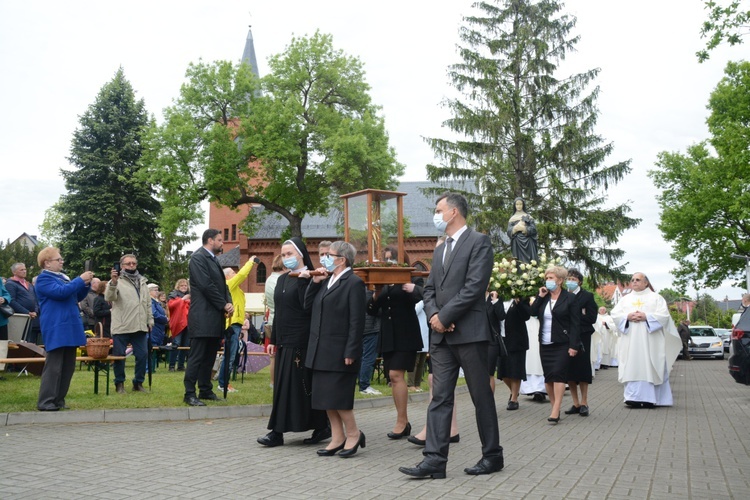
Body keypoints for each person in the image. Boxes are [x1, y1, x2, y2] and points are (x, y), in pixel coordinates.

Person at [399, 192, 503, 479]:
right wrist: (435, 317)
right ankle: (434, 460)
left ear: (454, 212)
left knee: (480, 396)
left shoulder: (479, 242)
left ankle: (492, 455)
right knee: (439, 397)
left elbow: (473, 287)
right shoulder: (441, 247)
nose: (435, 215)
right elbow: (430, 288)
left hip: (469, 334)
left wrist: (444, 317)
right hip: (442, 338)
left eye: (438, 209)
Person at [258, 238, 330, 447]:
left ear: (301, 255)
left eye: (290, 254)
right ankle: (283, 429)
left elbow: (305, 306)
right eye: (284, 254)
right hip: (285, 340)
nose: (286, 258)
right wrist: (273, 339)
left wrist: (303, 281)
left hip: (302, 340)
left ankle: (316, 426)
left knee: (301, 387)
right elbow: (278, 312)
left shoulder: (311, 277)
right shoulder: (282, 279)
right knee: (284, 386)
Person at [303, 241, 365, 457]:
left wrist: (351, 350)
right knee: (325, 398)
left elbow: (357, 321)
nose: (324, 258)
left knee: (339, 397)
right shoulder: (327, 280)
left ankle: (354, 434)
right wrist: (315, 282)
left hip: (340, 350)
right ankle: (338, 437)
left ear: (342, 259)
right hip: (320, 348)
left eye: (329, 255)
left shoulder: (353, 282)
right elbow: (308, 308)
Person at [610, 273, 682, 408]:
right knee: (632, 365)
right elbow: (615, 314)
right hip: (630, 340)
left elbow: (664, 316)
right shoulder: (625, 299)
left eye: (638, 280)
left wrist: (646, 317)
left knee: (651, 364)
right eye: (632, 280)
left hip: (650, 340)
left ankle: (651, 398)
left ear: (646, 283)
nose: (634, 282)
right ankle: (632, 398)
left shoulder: (656, 298)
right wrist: (628, 316)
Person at [34, 247, 94, 411]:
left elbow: (75, 295)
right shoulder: (43, 279)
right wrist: (79, 280)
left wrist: (85, 284)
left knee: (68, 366)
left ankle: (59, 400)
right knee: (54, 367)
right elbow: (61, 293)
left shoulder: (62, 278)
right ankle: (46, 401)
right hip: (57, 326)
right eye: (58, 259)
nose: (62, 262)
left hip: (69, 326)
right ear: (47, 263)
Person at [367, 274, 424, 439]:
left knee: (395, 374)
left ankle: (401, 421)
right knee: (393, 379)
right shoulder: (382, 283)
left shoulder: (411, 278)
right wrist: (376, 294)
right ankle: (403, 421)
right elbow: (370, 310)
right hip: (389, 336)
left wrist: (411, 287)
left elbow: (423, 295)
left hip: (406, 334)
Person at [183, 229, 233, 406]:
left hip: (215, 317)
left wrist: (229, 302)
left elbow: (223, 286)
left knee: (210, 356)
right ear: (210, 240)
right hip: (202, 316)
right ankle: (189, 393)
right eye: (220, 240)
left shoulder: (213, 259)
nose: (222, 243)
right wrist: (223, 304)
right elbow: (206, 285)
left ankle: (205, 389)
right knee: (197, 356)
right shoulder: (198, 258)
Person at [529, 266, 581, 424]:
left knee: (558, 375)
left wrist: (574, 346)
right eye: (547, 278)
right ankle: (554, 407)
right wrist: (539, 296)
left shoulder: (570, 298)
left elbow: (575, 324)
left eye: (551, 278)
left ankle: (555, 409)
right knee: (549, 378)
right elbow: (531, 313)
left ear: (560, 280)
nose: (548, 281)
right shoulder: (544, 297)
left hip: (562, 343)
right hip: (545, 343)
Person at [105, 254, 153, 394]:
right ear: (122, 266)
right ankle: (119, 383)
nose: (131, 266)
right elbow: (109, 297)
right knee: (120, 356)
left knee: (143, 355)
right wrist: (113, 283)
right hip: (122, 325)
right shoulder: (116, 280)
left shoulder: (143, 281)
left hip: (139, 325)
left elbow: (148, 303)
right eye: (128, 264)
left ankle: (138, 383)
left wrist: (150, 320)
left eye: (133, 263)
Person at [218, 257, 257, 393]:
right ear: (228, 276)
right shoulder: (229, 284)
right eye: (234, 273)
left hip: (236, 323)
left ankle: (224, 383)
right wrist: (251, 261)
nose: (237, 274)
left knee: (230, 355)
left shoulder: (235, 288)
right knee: (229, 356)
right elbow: (242, 274)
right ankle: (223, 384)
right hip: (232, 323)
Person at [563, 269, 599, 417]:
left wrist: (575, 317)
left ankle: (584, 402)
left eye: (573, 278)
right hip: (566, 336)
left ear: (579, 281)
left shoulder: (587, 296)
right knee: (569, 370)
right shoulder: (563, 295)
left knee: (582, 369)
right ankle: (575, 402)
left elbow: (591, 317)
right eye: (568, 278)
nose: (570, 281)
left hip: (583, 336)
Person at [497, 297, 531, 410]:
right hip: (501, 339)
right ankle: (514, 391)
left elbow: (526, 316)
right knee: (503, 372)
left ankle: (514, 399)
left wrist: (518, 302)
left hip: (517, 340)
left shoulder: (521, 299)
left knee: (516, 369)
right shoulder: (498, 299)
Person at [5, 262, 42, 343]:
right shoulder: (10, 284)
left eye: (25, 269)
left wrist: (35, 311)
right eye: (21, 270)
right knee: (20, 341)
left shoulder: (29, 284)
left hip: (32, 317)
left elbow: (35, 299)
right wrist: (27, 312)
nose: (24, 271)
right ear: (14, 272)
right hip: (20, 318)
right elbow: (12, 301)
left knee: (29, 342)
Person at [263, 254, 285, 388]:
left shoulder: (270, 278)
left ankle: (273, 382)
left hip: (271, 318)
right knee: (275, 355)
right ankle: (274, 382)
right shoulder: (278, 280)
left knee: (273, 355)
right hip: (277, 319)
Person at [359, 288, 382, 395]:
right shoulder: (369, 291)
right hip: (371, 328)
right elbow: (374, 310)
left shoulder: (359, 288)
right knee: (368, 358)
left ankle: (362, 383)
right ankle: (364, 385)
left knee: (362, 357)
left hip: (361, 328)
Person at [167, 279, 190, 371]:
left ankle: (181, 365)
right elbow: (171, 306)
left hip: (188, 323)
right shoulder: (173, 295)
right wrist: (183, 300)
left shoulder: (190, 295)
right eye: (182, 285)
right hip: (178, 323)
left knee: (185, 345)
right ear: (178, 286)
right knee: (176, 344)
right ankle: (172, 366)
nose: (184, 287)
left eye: (185, 285)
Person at [507, 197, 538, 264]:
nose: (519, 206)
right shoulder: (512, 219)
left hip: (528, 242)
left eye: (520, 204)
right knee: (519, 263)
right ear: (514, 206)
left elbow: (534, 229)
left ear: (523, 205)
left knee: (531, 262)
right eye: (517, 204)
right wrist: (514, 229)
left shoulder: (528, 217)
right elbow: (508, 231)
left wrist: (524, 229)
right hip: (517, 243)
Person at [148, 283, 169, 357]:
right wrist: (165, 319)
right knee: (152, 347)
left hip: (159, 328)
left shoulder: (156, 301)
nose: (157, 292)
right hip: (154, 327)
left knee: (156, 347)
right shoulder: (150, 301)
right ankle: (149, 368)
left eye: (157, 290)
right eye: (155, 290)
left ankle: (153, 367)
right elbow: (154, 314)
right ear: (149, 291)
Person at [0, 279, 11, 375]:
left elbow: (6, 294)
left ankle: (0, 370)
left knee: (2, 345)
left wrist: (4, 299)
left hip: (1, 321)